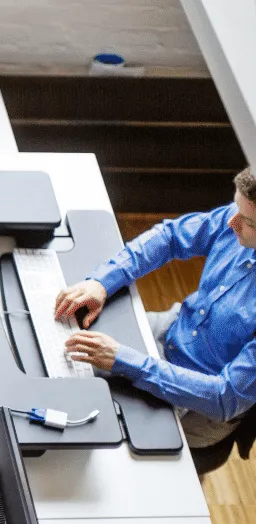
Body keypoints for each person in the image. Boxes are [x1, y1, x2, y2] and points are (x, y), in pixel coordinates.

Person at [56, 166, 256, 450]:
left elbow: (223, 397)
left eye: (247, 221)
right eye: (235, 208)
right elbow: (171, 236)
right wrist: (102, 282)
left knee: (106, 437)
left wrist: (124, 360)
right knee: (64, 350)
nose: (231, 222)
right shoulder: (239, 216)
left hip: (198, 397)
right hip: (172, 330)